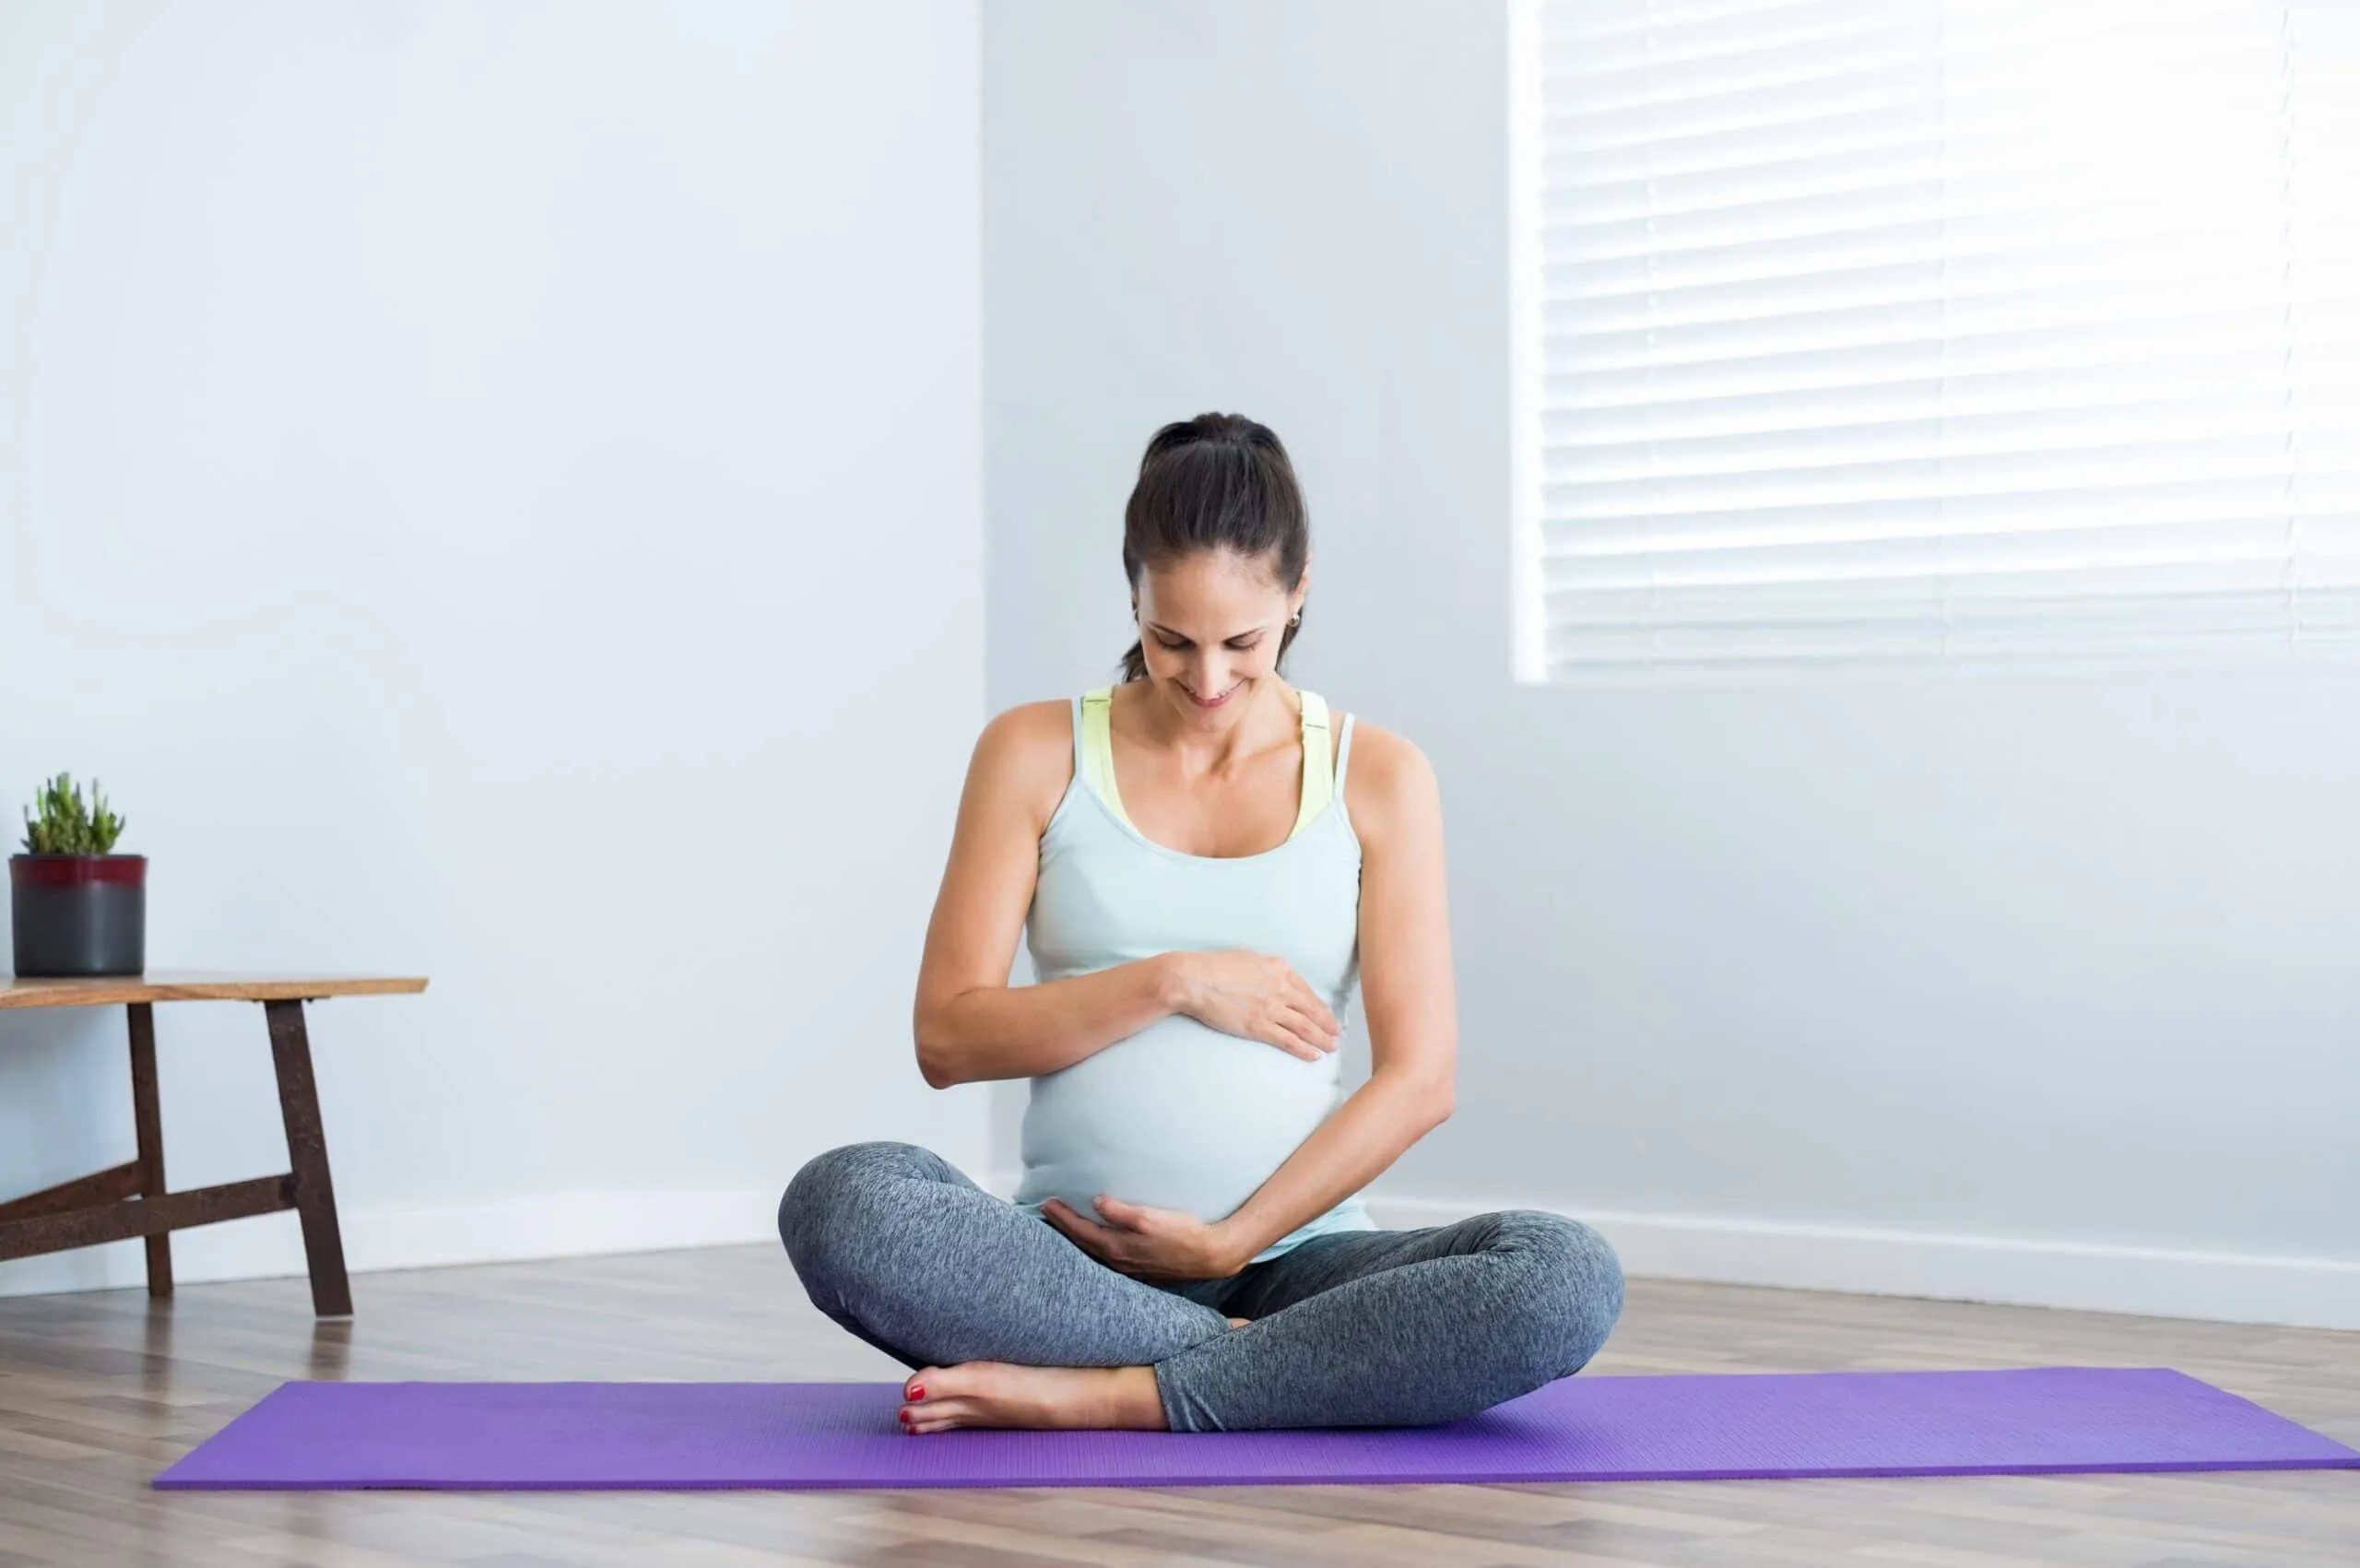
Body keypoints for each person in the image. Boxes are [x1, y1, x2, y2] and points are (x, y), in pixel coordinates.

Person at [779, 412, 1623, 1434]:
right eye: (1169, 639)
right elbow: (946, 1040)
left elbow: (1421, 1080)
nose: (1209, 680)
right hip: (1067, 1265)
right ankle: (1270, 1376)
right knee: (842, 1199)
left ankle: (1116, 1393)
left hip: (1302, 1264)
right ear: (1131, 595)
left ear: (1298, 593)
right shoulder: (1035, 752)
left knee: (1562, 1276)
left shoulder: (1381, 776)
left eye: (1245, 644)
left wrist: (1230, 1245)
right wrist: (1170, 980)